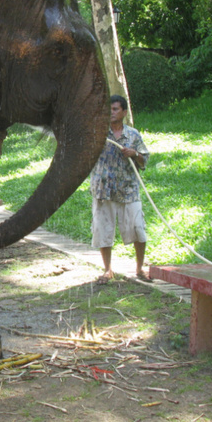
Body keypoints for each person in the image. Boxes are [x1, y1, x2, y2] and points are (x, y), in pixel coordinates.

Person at [90, 95, 152, 284]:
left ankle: (140, 268)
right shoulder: (98, 133)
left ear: (124, 112)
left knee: (138, 228)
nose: (112, 112)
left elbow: (145, 159)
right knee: (103, 230)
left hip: (128, 190)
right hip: (103, 190)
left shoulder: (133, 135)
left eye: (116, 109)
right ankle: (107, 270)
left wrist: (134, 154)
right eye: (109, 109)